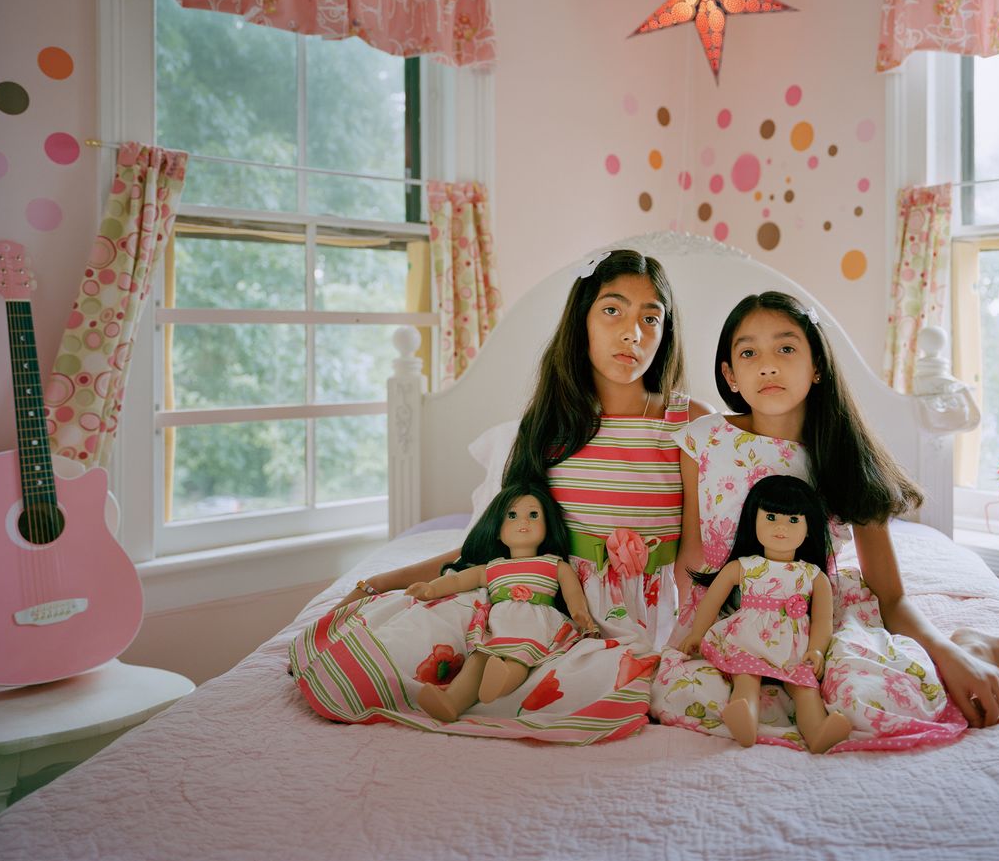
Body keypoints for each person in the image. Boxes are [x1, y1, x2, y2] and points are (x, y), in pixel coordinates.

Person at [290, 249, 710, 743]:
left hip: (633, 615)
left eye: (650, 317)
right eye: (612, 310)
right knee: (412, 649)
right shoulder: (552, 425)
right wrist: (384, 581)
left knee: (618, 687)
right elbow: (498, 546)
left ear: (665, 332)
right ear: (583, 322)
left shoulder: (687, 421)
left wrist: (691, 634)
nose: (631, 333)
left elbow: (696, 550)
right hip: (541, 600)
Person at [652, 292, 999, 749]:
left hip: (818, 620)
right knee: (684, 697)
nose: (768, 366)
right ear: (730, 375)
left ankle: (974, 644)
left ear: (817, 367)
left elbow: (890, 595)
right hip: (733, 616)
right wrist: (689, 630)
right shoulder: (704, 441)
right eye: (749, 352)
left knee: (871, 700)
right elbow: (692, 557)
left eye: (787, 348)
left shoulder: (842, 456)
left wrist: (948, 654)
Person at [679, 475, 851, 752]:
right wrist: (697, 633)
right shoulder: (743, 567)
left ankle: (818, 732)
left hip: (794, 648)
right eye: (771, 517)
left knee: (806, 689)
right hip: (749, 640)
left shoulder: (813, 576)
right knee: (746, 678)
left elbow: (822, 621)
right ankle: (744, 717)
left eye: (793, 520)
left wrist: (817, 651)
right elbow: (711, 600)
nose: (781, 527)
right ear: (753, 521)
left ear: (808, 528)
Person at [406, 482, 597, 722]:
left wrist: (580, 614)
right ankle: (452, 702)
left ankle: (502, 680)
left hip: (536, 622)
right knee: (478, 659)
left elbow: (573, 595)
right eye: (513, 515)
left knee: (519, 656)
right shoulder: (494, 567)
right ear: (497, 529)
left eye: (533, 515)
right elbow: (457, 582)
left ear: (547, 526)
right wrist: (431, 589)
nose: (523, 522)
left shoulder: (554, 564)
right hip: (498, 625)